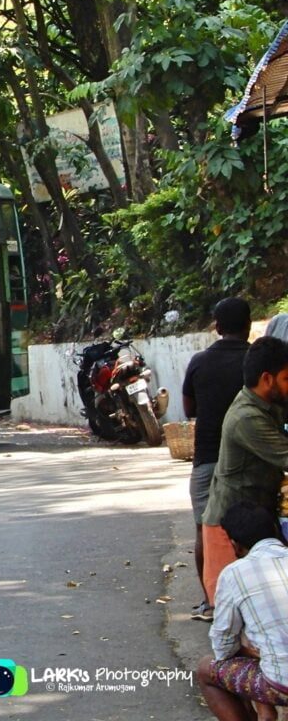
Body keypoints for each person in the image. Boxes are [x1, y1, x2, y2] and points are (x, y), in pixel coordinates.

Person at [201, 337, 288, 606]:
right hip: (228, 527)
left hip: (253, 518)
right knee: (234, 613)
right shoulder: (247, 417)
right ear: (267, 379)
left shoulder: (268, 404)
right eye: (287, 378)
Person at [183, 297, 251, 622]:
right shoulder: (256, 360)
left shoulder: (199, 361)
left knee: (204, 530)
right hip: (251, 460)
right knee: (254, 530)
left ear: (218, 327)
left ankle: (211, 602)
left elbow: (188, 409)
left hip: (208, 457)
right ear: (249, 325)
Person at [196, 501, 288, 721]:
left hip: (281, 684)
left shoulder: (233, 574)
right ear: (275, 530)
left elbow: (222, 648)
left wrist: (247, 651)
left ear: (235, 545)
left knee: (205, 670)